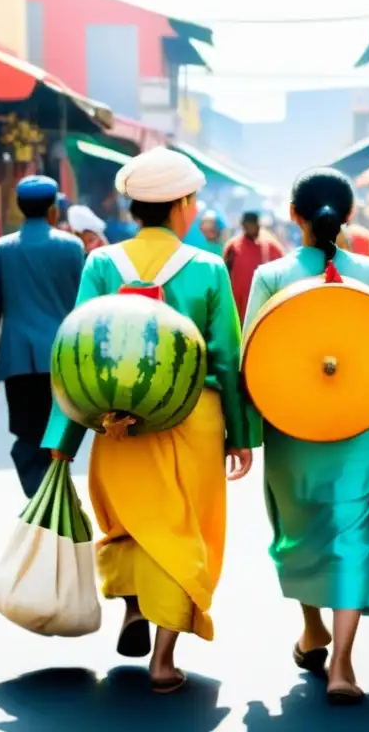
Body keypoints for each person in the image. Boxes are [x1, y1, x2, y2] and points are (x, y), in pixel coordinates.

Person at [42, 148, 259, 694]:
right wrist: (242, 435)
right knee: (183, 527)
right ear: (184, 205)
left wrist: (62, 437)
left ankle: (134, 608)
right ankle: (163, 659)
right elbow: (227, 359)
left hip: (116, 422)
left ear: (135, 208)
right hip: (192, 420)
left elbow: (74, 353)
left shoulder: (100, 265)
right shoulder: (208, 268)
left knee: (131, 521)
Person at [243, 167, 369, 705]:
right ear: (350, 215)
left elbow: (251, 362)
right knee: (351, 536)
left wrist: (242, 433)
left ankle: (312, 630)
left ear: (294, 216)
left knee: (301, 533)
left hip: (294, 428)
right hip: (361, 426)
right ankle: (343, 664)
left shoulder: (272, 277)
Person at [0, 176, 85, 498]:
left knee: (27, 433)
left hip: (19, 357)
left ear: (19, 208)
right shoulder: (72, 247)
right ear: (53, 209)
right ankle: (50, 493)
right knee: (59, 431)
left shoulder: (1, 250)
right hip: (63, 357)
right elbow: (84, 303)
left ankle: (40, 494)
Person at [225, 210, 284, 323]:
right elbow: (226, 277)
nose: (250, 227)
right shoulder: (233, 248)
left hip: (265, 309)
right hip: (238, 310)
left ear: (258, 225)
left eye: (253, 224)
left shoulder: (271, 247)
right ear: (243, 225)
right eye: (247, 224)